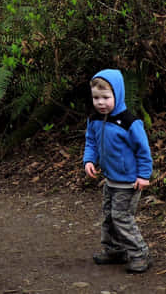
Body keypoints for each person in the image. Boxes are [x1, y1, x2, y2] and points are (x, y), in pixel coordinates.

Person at [83, 68, 152, 274]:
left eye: (106, 97)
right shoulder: (94, 119)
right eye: (96, 98)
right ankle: (115, 251)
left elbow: (143, 151)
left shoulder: (130, 122)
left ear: (118, 94)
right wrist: (89, 160)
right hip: (110, 179)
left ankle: (139, 254)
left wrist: (143, 175)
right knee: (108, 217)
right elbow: (91, 141)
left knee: (121, 217)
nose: (100, 103)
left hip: (129, 182)